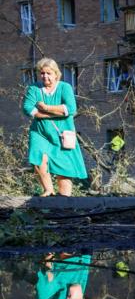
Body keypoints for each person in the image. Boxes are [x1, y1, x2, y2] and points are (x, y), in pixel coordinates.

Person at [22, 58, 88, 196]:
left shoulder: (65, 87)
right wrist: (55, 113)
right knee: (38, 158)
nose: (45, 76)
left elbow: (70, 109)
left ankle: (64, 201)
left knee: (64, 167)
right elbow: (28, 109)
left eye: (48, 73)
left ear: (56, 74)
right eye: (42, 73)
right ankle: (49, 190)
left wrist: (45, 108)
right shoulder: (34, 88)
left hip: (62, 133)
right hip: (40, 131)